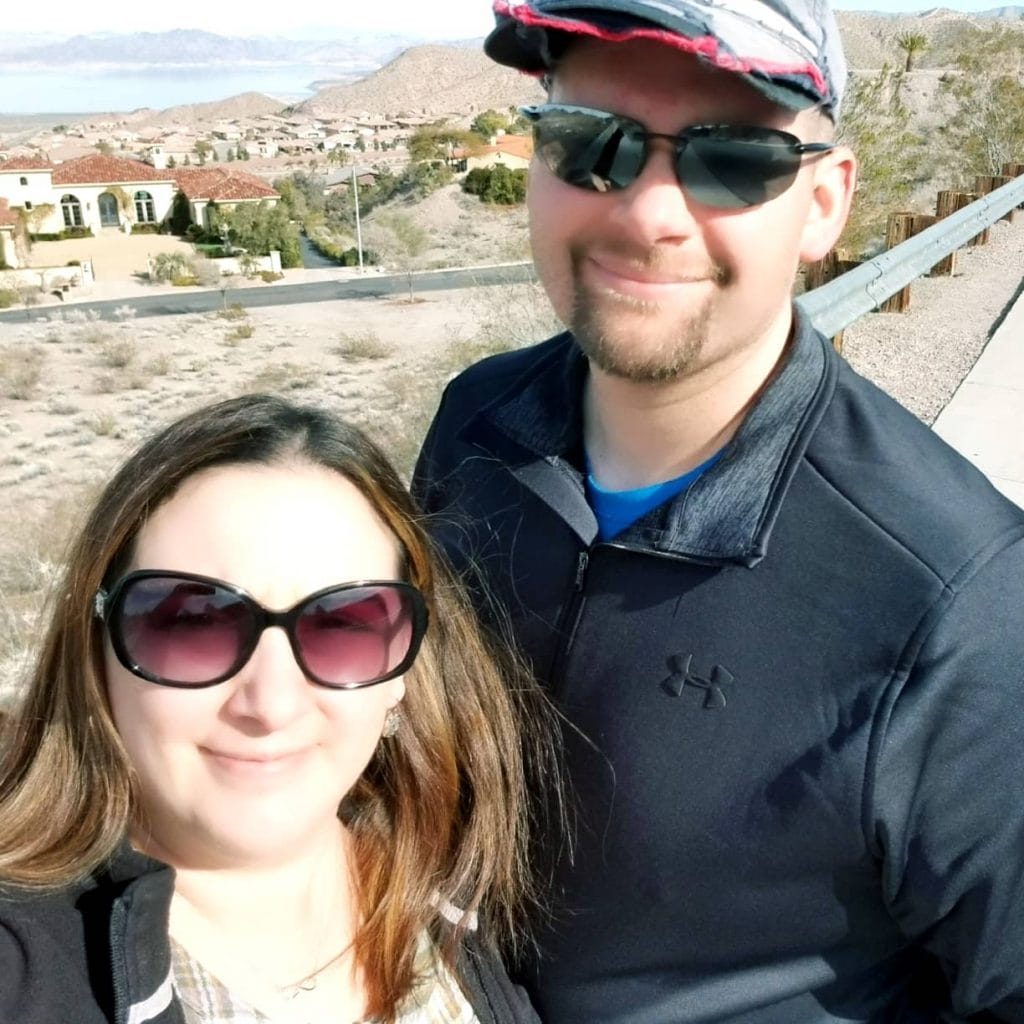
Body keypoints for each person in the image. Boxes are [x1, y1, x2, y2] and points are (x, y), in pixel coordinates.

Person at [412, 2, 1024, 1022]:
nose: (648, 213)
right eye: (589, 145)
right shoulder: (475, 427)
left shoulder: (954, 602)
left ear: (824, 204)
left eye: (730, 158)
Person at [0, 394, 557, 1024]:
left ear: (402, 669)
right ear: (98, 648)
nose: (270, 703)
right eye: (190, 622)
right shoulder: (24, 967)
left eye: (344, 624)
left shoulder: (452, 897)